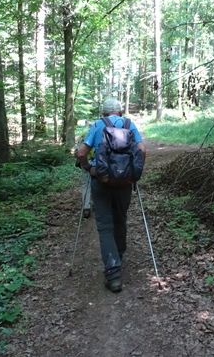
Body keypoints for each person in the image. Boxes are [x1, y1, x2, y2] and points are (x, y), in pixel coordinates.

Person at [76, 97, 146, 293]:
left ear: (103, 113)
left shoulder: (98, 125)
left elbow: (81, 153)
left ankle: (113, 274)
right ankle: (119, 256)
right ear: (120, 112)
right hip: (125, 184)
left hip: (102, 181)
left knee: (105, 226)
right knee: (120, 219)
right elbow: (142, 150)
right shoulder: (129, 125)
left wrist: (88, 168)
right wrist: (134, 174)